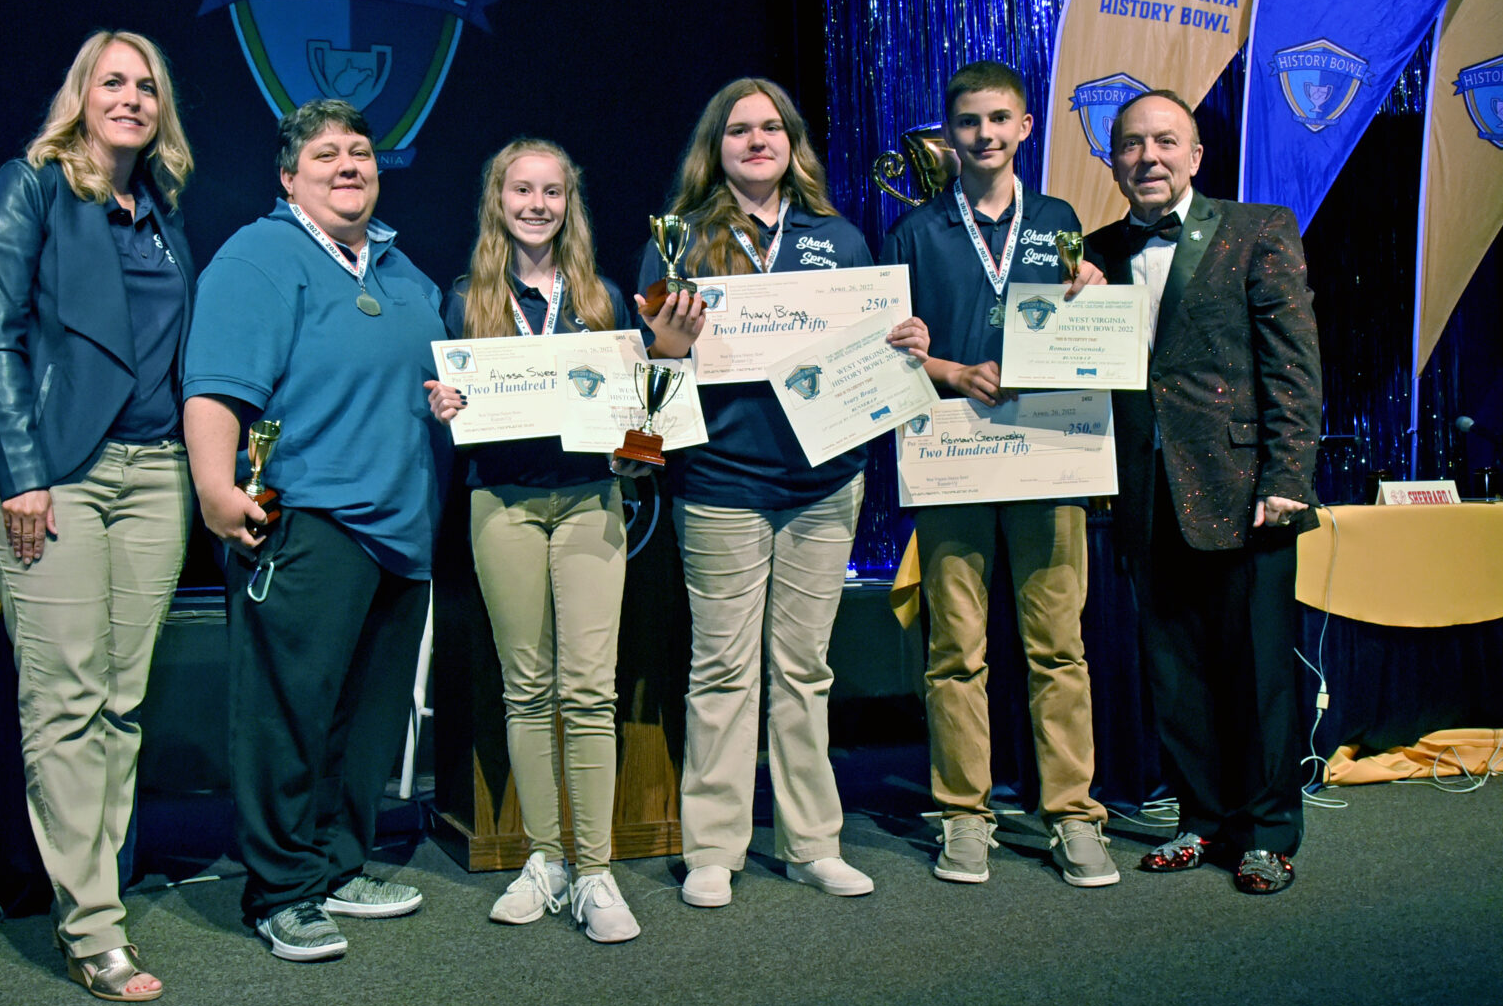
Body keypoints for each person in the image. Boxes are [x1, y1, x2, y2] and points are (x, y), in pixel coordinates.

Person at [637, 77, 929, 908]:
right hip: (721, 481)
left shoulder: (838, 238)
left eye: (772, 128)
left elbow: (874, 349)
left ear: (793, 143)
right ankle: (712, 849)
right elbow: (650, 379)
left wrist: (905, 339)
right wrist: (665, 347)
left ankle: (812, 844)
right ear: (716, 146)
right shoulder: (680, 239)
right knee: (722, 669)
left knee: (804, 670)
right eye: (739, 130)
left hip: (824, 483)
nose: (757, 141)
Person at [182, 99, 446, 960]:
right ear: (288, 176)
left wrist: (449, 399)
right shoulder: (258, 257)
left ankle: (336, 865)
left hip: (401, 529)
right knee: (287, 717)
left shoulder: (406, 273)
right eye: (326, 154)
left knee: (363, 721)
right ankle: (281, 890)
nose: (348, 165)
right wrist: (215, 488)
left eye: (360, 151)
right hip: (309, 521)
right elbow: (215, 386)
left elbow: (431, 384)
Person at [0, 29, 196, 1002]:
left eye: (147, 85)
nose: (132, 97)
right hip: (56, 474)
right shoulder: (32, 186)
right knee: (65, 701)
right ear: (81, 95)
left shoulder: (162, 213)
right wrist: (23, 472)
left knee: (120, 702)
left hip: (156, 476)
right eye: (113, 81)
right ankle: (93, 927)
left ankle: (95, 894)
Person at [879, 60, 1117, 889]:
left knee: (1058, 646)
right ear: (949, 135)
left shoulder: (1057, 221)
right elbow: (888, 353)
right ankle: (963, 813)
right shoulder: (914, 232)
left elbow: (1083, 336)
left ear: (1024, 127)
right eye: (968, 122)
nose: (984, 134)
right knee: (956, 649)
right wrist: (949, 368)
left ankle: (1073, 814)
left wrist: (1091, 292)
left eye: (998, 119)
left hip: (1048, 454)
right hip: (954, 456)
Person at [1087, 89, 1321, 895]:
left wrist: (1287, 478)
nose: (1147, 156)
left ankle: (1268, 833)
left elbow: (1293, 363)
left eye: (1164, 141)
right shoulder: (1095, 252)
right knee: (1173, 671)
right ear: (1112, 161)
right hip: (1144, 494)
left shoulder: (1257, 229)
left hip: (1245, 486)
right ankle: (1202, 818)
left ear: (1194, 155)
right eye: (1131, 144)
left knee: (1258, 672)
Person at [424, 139, 643, 943]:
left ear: (569, 202)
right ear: (498, 199)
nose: (537, 205)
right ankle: (545, 859)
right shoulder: (465, 300)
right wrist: (444, 407)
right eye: (522, 190)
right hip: (502, 504)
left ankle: (596, 870)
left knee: (589, 690)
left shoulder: (602, 295)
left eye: (552, 191)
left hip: (589, 499)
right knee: (526, 689)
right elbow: (450, 403)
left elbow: (639, 405)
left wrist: (640, 456)